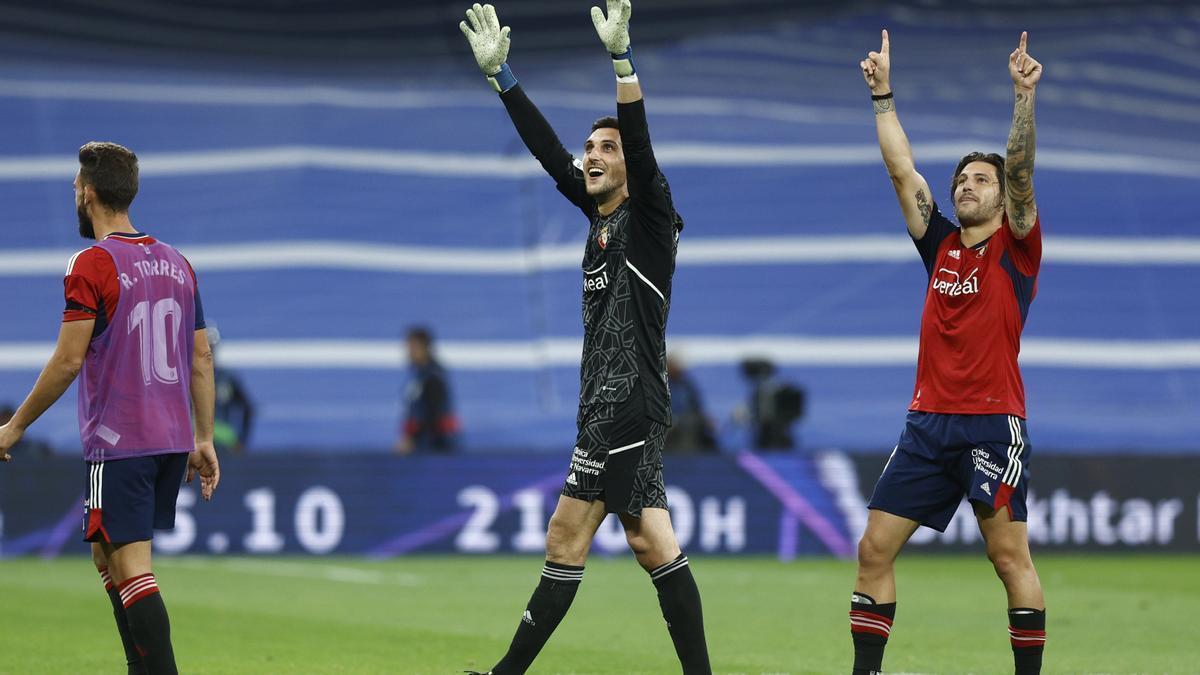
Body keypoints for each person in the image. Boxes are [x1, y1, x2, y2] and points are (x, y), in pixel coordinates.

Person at [459, 2, 710, 673]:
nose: (593, 156)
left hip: (629, 403)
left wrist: (622, 65)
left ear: (632, 166)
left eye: (608, 148)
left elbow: (642, 144)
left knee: (594, 535)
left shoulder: (652, 216)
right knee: (634, 540)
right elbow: (548, 152)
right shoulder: (597, 215)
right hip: (602, 404)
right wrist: (502, 77)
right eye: (591, 147)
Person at [849, 31, 1046, 674]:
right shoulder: (939, 246)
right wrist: (883, 96)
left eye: (979, 180)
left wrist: (1023, 97)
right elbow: (902, 170)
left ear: (1001, 196)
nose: (966, 186)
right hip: (927, 424)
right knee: (874, 548)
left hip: (992, 421)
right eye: (961, 179)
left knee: (1008, 559)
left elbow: (1021, 172)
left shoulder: (1018, 247)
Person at [0, 141, 220, 675]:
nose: (75, 192)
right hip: (169, 438)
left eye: (76, 186)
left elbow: (68, 361)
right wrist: (204, 437)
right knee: (108, 555)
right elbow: (200, 354)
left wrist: (15, 425)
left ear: (90, 193)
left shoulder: (92, 264)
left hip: (120, 440)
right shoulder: (177, 262)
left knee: (130, 564)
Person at [395, 326, 460, 454]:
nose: (409, 353)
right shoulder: (420, 376)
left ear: (425, 348)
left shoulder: (432, 378)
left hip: (433, 448)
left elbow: (432, 415)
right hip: (426, 445)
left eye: (413, 348)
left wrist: (412, 439)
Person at [663, 355, 717, 453]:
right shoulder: (661, 385)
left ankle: (690, 458)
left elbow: (697, 407)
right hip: (667, 424)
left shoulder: (687, 385)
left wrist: (706, 419)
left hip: (687, 421)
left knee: (692, 424)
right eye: (675, 366)